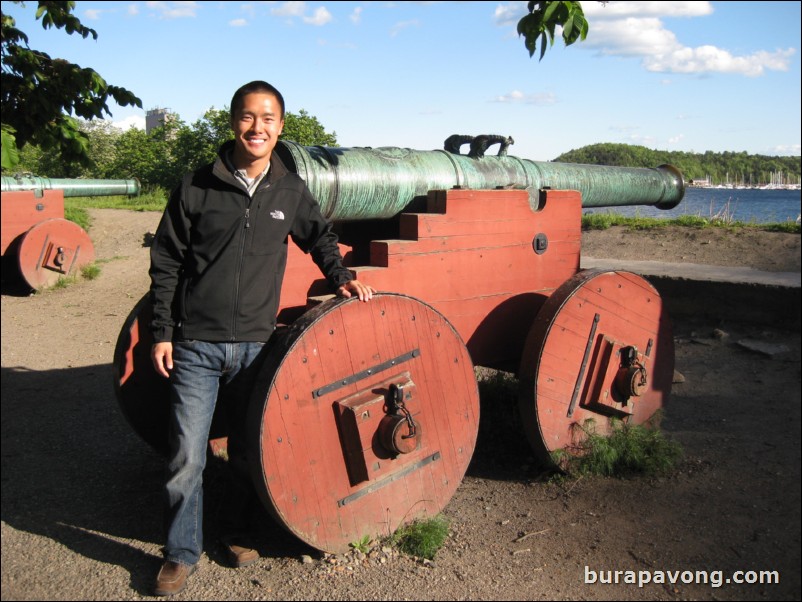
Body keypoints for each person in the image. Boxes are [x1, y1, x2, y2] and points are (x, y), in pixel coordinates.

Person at [148, 80, 374, 596]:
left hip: (254, 344)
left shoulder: (289, 189)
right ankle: (181, 552)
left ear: (280, 127)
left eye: (268, 119)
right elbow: (166, 261)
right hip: (197, 343)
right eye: (249, 117)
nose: (258, 127)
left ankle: (234, 531)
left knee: (248, 449)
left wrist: (340, 277)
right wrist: (163, 332)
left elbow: (320, 236)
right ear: (233, 122)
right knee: (188, 453)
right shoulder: (197, 186)